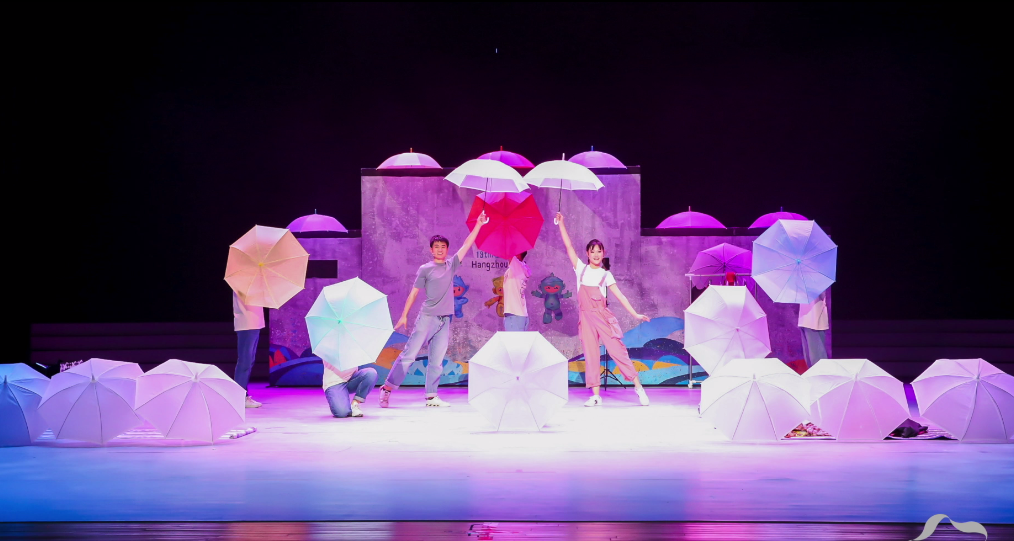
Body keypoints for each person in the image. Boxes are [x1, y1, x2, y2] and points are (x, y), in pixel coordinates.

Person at [378, 211, 490, 408]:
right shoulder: (425, 269)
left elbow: (467, 244)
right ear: (431, 250)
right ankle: (387, 388)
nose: (440, 249)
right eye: (436, 247)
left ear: (447, 249)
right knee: (409, 355)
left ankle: (431, 396)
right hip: (427, 317)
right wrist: (404, 316)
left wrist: (479, 225)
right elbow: (414, 293)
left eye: (443, 247)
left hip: (444, 320)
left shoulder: (451, 265)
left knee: (436, 360)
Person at [555, 212, 652, 407]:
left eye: (599, 251)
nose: (596, 254)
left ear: (603, 253)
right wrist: (561, 224)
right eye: (593, 251)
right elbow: (569, 246)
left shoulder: (606, 275)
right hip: (586, 318)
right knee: (591, 355)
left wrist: (635, 314)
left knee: (618, 351)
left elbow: (621, 296)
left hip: (602, 316)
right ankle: (596, 395)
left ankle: (638, 387)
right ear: (587, 253)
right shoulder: (580, 269)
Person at [232, 292, 265, 408]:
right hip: (246, 322)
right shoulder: (243, 282)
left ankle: (243, 395)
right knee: (245, 361)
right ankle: (239, 397)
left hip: (254, 322)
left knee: (249, 361)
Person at [798, 290, 829, 367]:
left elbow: (822, 294)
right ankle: (813, 373)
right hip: (805, 319)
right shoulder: (801, 284)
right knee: (809, 356)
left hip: (815, 320)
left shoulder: (817, 283)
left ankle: (822, 373)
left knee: (817, 357)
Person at [503, 251, 532, 331]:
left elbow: (509, 253)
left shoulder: (518, 266)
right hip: (517, 315)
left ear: (518, 254)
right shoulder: (521, 268)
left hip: (514, 315)